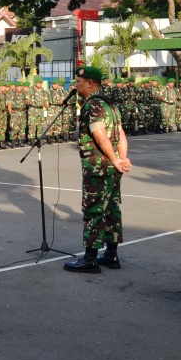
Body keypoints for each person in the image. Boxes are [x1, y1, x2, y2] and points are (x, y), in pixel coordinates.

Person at [64, 65, 132, 274]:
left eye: (78, 82)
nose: (76, 85)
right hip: (112, 167)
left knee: (94, 210)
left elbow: (101, 135)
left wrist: (114, 158)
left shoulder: (92, 105)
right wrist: (121, 159)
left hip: (98, 167)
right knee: (111, 210)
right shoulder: (109, 104)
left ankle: (90, 259)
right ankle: (111, 254)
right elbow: (120, 135)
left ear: (90, 83)